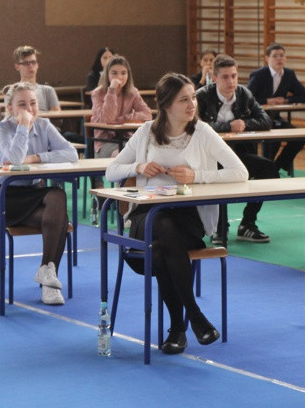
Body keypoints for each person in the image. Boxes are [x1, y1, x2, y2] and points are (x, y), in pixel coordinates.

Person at [106, 73, 248, 353]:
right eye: (184, 99)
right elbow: (111, 171)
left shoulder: (203, 132)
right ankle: (193, 317)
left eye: (193, 97)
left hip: (188, 222)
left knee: (161, 248)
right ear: (166, 105)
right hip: (146, 219)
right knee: (160, 222)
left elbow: (240, 172)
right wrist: (138, 167)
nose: (192, 104)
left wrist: (197, 175)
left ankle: (179, 328)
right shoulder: (146, 131)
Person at [0, 82, 78, 305]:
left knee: (57, 196)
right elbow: (16, 159)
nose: (29, 109)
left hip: (33, 192)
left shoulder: (45, 124)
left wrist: (38, 158)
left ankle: (47, 273)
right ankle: (49, 279)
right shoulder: (1, 129)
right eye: (22, 104)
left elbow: (72, 153)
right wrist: (23, 127)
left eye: (33, 103)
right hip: (6, 196)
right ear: (9, 108)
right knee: (60, 219)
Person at [196, 54, 277, 243]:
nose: (231, 81)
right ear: (214, 78)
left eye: (234, 76)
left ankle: (247, 223)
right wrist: (227, 126)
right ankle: (219, 226)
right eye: (225, 77)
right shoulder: (201, 96)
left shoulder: (243, 93)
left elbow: (265, 120)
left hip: (240, 154)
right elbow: (196, 126)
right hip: (210, 158)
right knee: (222, 176)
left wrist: (245, 124)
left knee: (269, 168)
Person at [246, 43, 305, 173]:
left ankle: (277, 166)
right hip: (257, 119)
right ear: (267, 58)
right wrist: (267, 101)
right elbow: (248, 98)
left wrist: (286, 99)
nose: (279, 59)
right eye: (275, 56)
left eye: (282, 55)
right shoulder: (259, 75)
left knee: (299, 137)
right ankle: (267, 169)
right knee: (273, 139)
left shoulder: (288, 74)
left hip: (274, 118)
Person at [90, 55, 151, 159]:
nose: (119, 77)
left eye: (123, 73)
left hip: (127, 139)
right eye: (114, 73)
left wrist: (124, 119)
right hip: (105, 142)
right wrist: (112, 90)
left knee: (148, 153)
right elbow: (107, 118)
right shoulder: (97, 93)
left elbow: (147, 115)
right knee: (124, 156)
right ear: (107, 75)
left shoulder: (132, 92)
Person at [13, 46, 60, 111]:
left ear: (37, 65)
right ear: (17, 67)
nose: (31, 66)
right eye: (26, 63)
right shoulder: (12, 91)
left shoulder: (48, 91)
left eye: (33, 62)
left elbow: (57, 118)